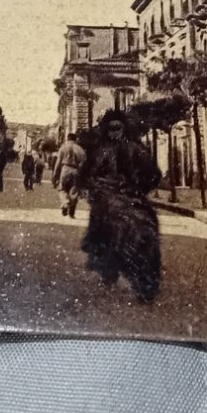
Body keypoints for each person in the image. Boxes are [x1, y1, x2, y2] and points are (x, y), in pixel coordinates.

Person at [78, 110, 162, 304]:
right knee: (102, 229)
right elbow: (86, 174)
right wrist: (94, 189)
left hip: (131, 197)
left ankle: (145, 281)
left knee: (146, 226)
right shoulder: (100, 151)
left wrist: (139, 188)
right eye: (111, 128)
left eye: (118, 128)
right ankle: (107, 270)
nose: (114, 132)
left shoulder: (136, 149)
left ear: (124, 129)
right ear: (106, 130)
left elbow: (154, 174)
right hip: (106, 198)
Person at [54, 132, 86, 217]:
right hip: (76, 170)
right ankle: (71, 212)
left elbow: (58, 163)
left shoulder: (63, 148)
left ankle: (65, 202)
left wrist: (55, 175)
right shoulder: (80, 149)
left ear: (68, 139)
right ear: (75, 139)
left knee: (62, 189)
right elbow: (84, 163)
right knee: (74, 191)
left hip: (65, 169)